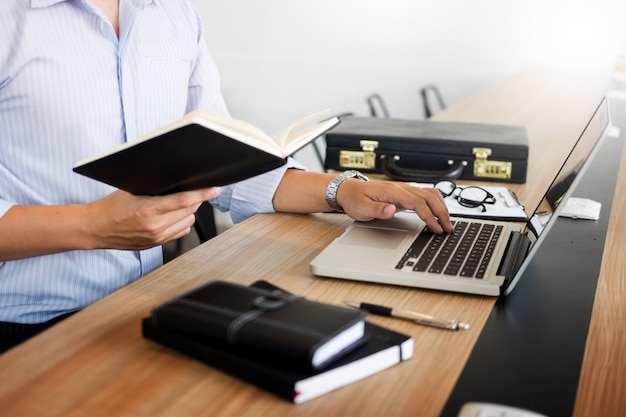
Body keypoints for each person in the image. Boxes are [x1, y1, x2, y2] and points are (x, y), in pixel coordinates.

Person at [0, 0, 452, 352]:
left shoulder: (173, 15)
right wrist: (94, 227)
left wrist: (344, 190)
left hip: (143, 303)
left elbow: (226, 165)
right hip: (25, 324)